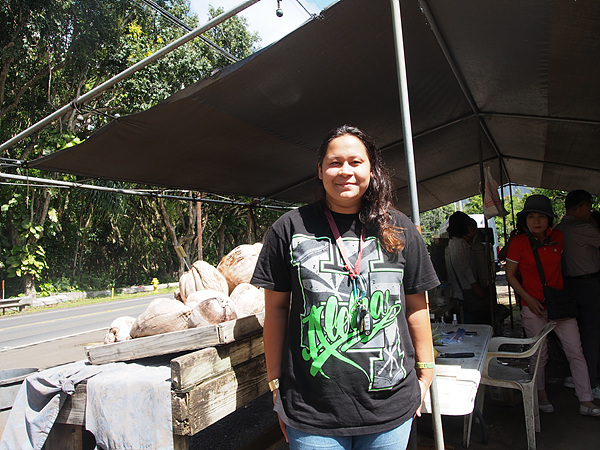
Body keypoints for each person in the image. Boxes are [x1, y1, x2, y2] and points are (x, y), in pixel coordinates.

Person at [251, 124, 440, 449]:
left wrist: (426, 373)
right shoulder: (290, 228)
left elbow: (416, 307)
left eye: (355, 162)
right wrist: (274, 384)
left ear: (371, 169)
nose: (345, 171)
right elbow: (277, 311)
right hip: (311, 410)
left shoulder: (399, 228)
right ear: (320, 171)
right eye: (335, 162)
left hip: (390, 405)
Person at [505, 194, 600, 416]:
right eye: (531, 216)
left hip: (560, 305)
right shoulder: (518, 243)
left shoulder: (558, 237)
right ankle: (541, 395)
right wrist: (528, 299)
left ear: (549, 219)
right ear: (525, 220)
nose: (536, 221)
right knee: (539, 354)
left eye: (541, 216)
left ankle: (585, 400)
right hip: (533, 306)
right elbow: (511, 276)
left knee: (575, 351)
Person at [555, 190, 600, 398]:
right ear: (583, 207)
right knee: (591, 333)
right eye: (589, 208)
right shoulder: (583, 228)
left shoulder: (558, 229)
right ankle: (589, 381)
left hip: (567, 285)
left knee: (575, 334)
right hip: (588, 283)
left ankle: (574, 376)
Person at [445, 211, 489, 323]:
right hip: (465, 290)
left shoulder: (451, 243)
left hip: (456, 290)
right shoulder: (461, 244)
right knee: (471, 320)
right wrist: (477, 288)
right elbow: (466, 269)